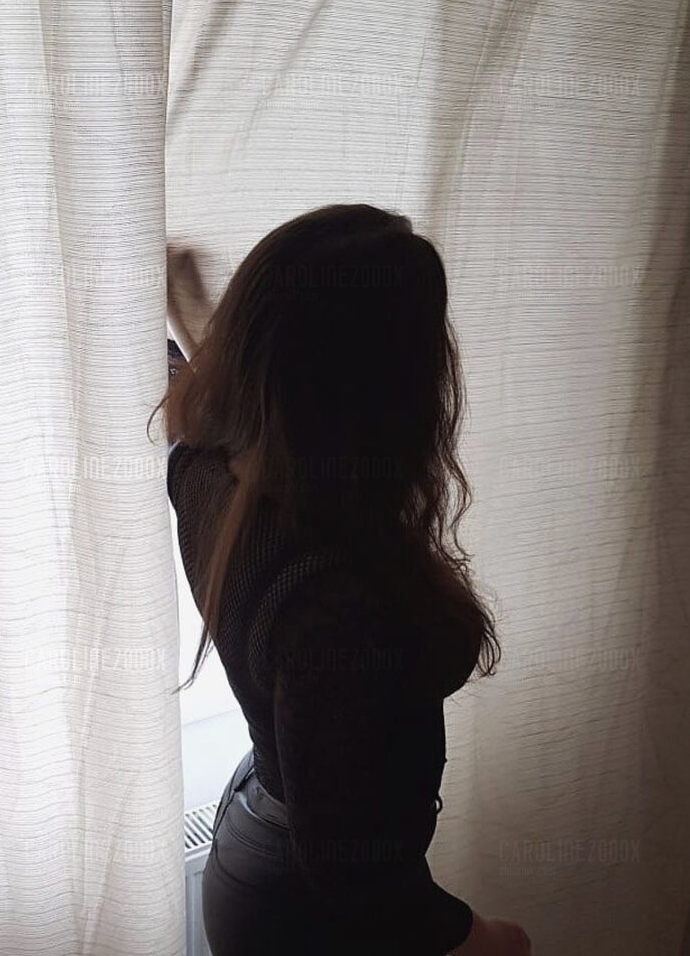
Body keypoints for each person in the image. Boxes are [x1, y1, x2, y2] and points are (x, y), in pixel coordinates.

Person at [151, 204, 532, 956]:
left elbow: (204, 405)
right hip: (308, 910)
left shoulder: (205, 484)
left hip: (256, 848)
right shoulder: (340, 608)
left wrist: (190, 315)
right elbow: (354, 872)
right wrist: (482, 940)